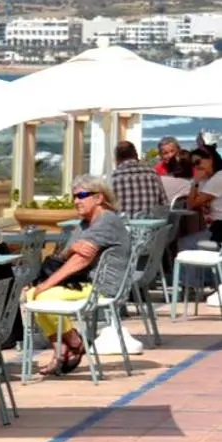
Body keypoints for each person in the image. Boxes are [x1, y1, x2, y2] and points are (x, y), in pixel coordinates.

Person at [22, 175, 131, 376]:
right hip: (82, 283)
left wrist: (45, 285)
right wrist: (72, 249)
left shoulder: (107, 221)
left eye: (82, 195)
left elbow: (80, 261)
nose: (76, 201)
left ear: (99, 198)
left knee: (43, 296)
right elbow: (66, 255)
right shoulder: (84, 224)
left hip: (102, 287)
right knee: (31, 297)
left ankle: (73, 342)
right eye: (74, 196)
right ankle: (62, 348)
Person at [109, 141, 169, 220]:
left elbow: (107, 211)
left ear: (117, 159)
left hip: (122, 230)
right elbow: (164, 205)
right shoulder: (153, 174)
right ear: (136, 156)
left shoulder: (113, 178)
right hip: (150, 229)